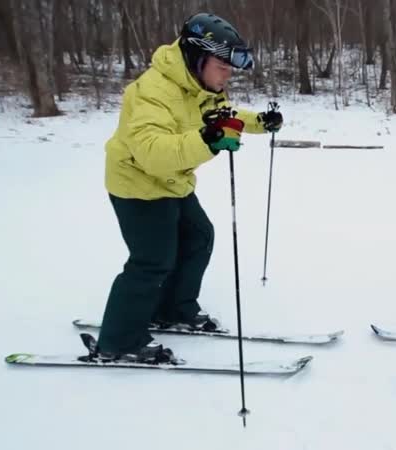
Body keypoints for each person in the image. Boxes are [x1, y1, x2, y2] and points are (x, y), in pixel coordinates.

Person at [91, 13, 284, 364]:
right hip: (137, 183)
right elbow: (151, 152)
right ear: (198, 59)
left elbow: (224, 115)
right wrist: (208, 139)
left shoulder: (201, 87)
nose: (228, 75)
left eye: (230, 68)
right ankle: (118, 340)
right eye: (223, 67)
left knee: (199, 237)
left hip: (172, 181)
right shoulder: (153, 91)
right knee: (152, 261)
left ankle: (174, 309)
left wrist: (259, 122)